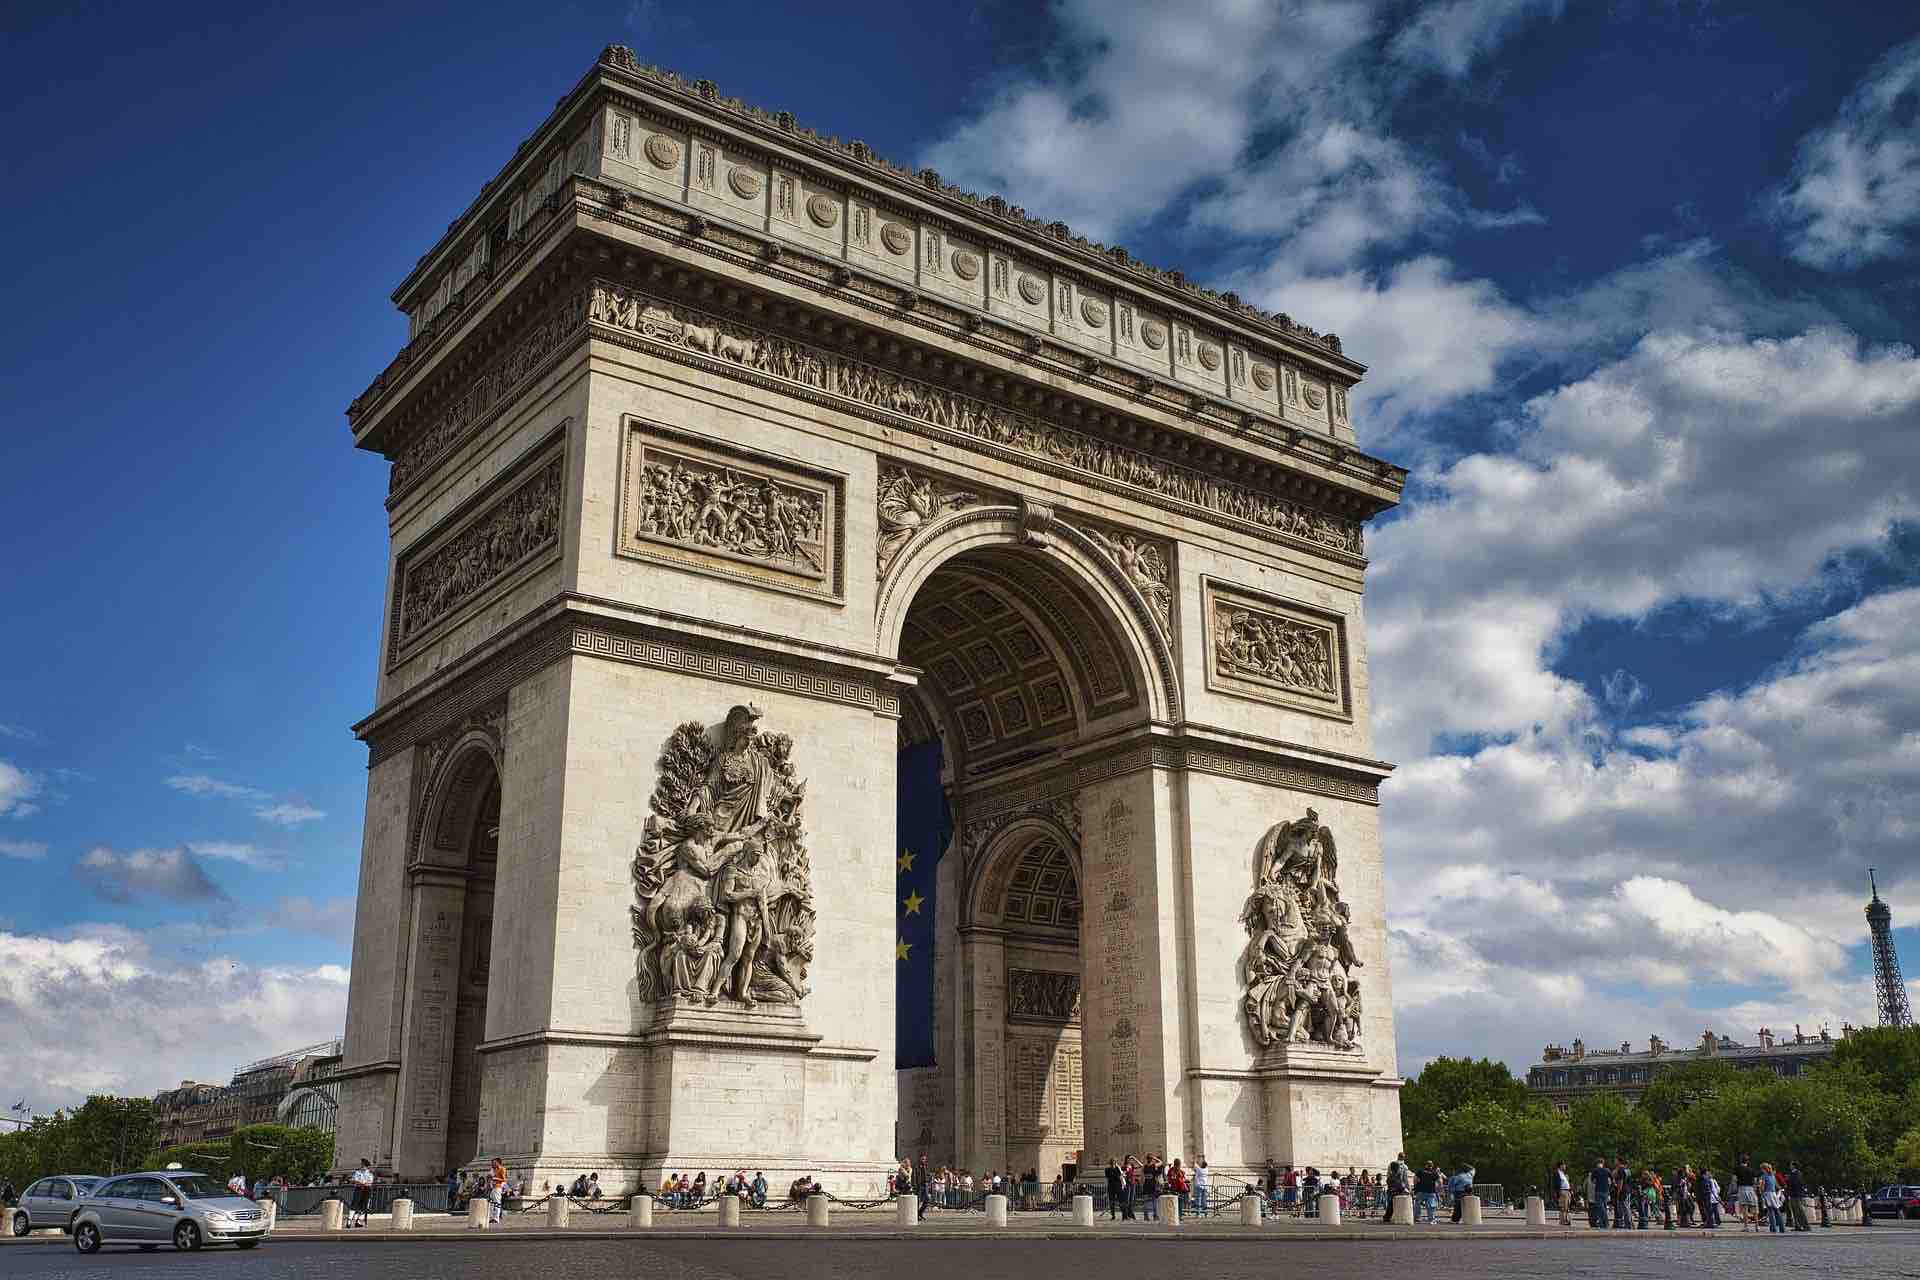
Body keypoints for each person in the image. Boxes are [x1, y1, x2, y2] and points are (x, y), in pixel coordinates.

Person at [348, 1158, 374, 1229]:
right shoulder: (357, 1172)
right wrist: (361, 1183)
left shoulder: (370, 1174)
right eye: (362, 1164)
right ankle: (349, 1220)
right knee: (354, 1204)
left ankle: (358, 1221)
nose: (362, 1166)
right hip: (358, 1189)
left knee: (364, 1206)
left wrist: (361, 1182)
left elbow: (370, 1182)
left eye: (363, 1165)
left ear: (366, 1166)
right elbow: (354, 1180)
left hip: (366, 1190)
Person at [1786, 1164, 1810, 1231]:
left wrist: (1788, 1179)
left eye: (1791, 1165)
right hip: (1793, 1194)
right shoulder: (1793, 1173)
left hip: (1796, 1194)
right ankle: (1797, 1225)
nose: (1790, 1166)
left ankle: (1806, 1226)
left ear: (1794, 1166)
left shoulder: (1797, 1173)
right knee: (1794, 1211)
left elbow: (1796, 1183)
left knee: (1799, 1210)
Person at [488, 1157, 508, 1225]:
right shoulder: (494, 1170)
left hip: (498, 1187)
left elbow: (504, 1180)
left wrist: (495, 1178)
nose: (493, 1164)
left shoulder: (502, 1169)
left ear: (498, 1162)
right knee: (491, 1202)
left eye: (494, 1162)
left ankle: (496, 1218)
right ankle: (491, 1217)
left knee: (497, 1202)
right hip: (493, 1187)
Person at [1104, 1156, 1124, 1221]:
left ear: (1115, 1163)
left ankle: (1124, 1215)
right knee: (1111, 1202)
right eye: (1112, 1162)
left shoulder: (1118, 1168)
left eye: (1114, 1162)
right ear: (1110, 1163)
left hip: (1118, 1187)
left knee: (1121, 1201)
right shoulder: (1107, 1169)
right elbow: (1108, 1178)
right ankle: (1113, 1215)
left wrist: (1123, 1184)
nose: (1113, 1163)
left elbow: (1120, 1177)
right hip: (1111, 1187)